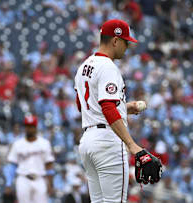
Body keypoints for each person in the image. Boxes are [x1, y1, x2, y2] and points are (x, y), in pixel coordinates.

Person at [74, 19, 161, 202]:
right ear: (115, 40)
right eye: (125, 41)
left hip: (88, 142)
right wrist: (132, 145)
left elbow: (84, 106)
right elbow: (106, 107)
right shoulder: (108, 67)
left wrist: (124, 108)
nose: (127, 46)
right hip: (107, 142)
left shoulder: (84, 67)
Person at [5, 115, 55, 203]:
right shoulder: (17, 144)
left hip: (40, 178)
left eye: (31, 126)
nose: (29, 129)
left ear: (36, 127)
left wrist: (50, 185)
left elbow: (49, 165)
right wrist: (8, 183)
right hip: (23, 179)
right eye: (27, 126)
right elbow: (12, 165)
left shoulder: (44, 143)